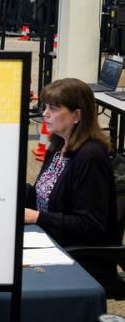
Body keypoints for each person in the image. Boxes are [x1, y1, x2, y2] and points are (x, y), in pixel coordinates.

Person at [25, 78, 119, 286]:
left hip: (80, 258)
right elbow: (43, 197)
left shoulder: (91, 158)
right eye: (45, 107)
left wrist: (38, 218)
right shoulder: (59, 145)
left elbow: (90, 225)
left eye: (54, 108)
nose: (45, 113)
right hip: (53, 241)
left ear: (76, 115)